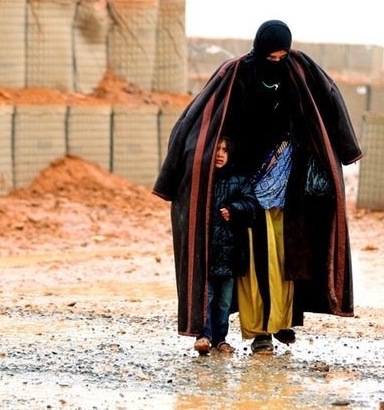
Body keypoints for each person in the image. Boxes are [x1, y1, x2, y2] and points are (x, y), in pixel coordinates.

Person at [153, 19, 363, 355]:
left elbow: (328, 100)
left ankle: (281, 323)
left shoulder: (300, 70)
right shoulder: (236, 73)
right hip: (246, 187)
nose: (277, 63)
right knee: (251, 264)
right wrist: (180, 170)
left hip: (288, 186)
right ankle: (258, 332)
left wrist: (344, 150)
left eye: (282, 56)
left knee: (286, 260)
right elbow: (198, 117)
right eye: (272, 56)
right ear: (260, 49)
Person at [193, 136, 259, 355]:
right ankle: (204, 336)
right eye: (217, 149)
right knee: (207, 297)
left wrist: (234, 209)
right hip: (207, 254)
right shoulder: (202, 180)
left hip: (230, 255)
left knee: (223, 302)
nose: (220, 154)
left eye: (225, 150)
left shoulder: (240, 181)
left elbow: (251, 206)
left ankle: (220, 339)